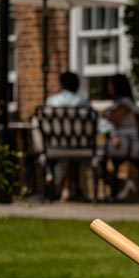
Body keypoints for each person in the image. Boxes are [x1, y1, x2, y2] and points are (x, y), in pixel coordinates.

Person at [43, 71, 93, 200]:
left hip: (55, 147)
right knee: (72, 157)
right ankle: (69, 188)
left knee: (56, 156)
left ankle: (51, 178)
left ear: (62, 84)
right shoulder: (83, 102)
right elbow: (95, 122)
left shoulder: (51, 101)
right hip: (80, 148)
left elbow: (44, 126)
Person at [103, 73, 139, 201]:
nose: (109, 87)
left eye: (110, 84)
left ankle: (120, 187)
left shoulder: (125, 104)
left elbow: (111, 121)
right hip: (122, 141)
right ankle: (121, 186)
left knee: (96, 158)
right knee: (97, 159)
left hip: (128, 142)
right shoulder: (119, 103)